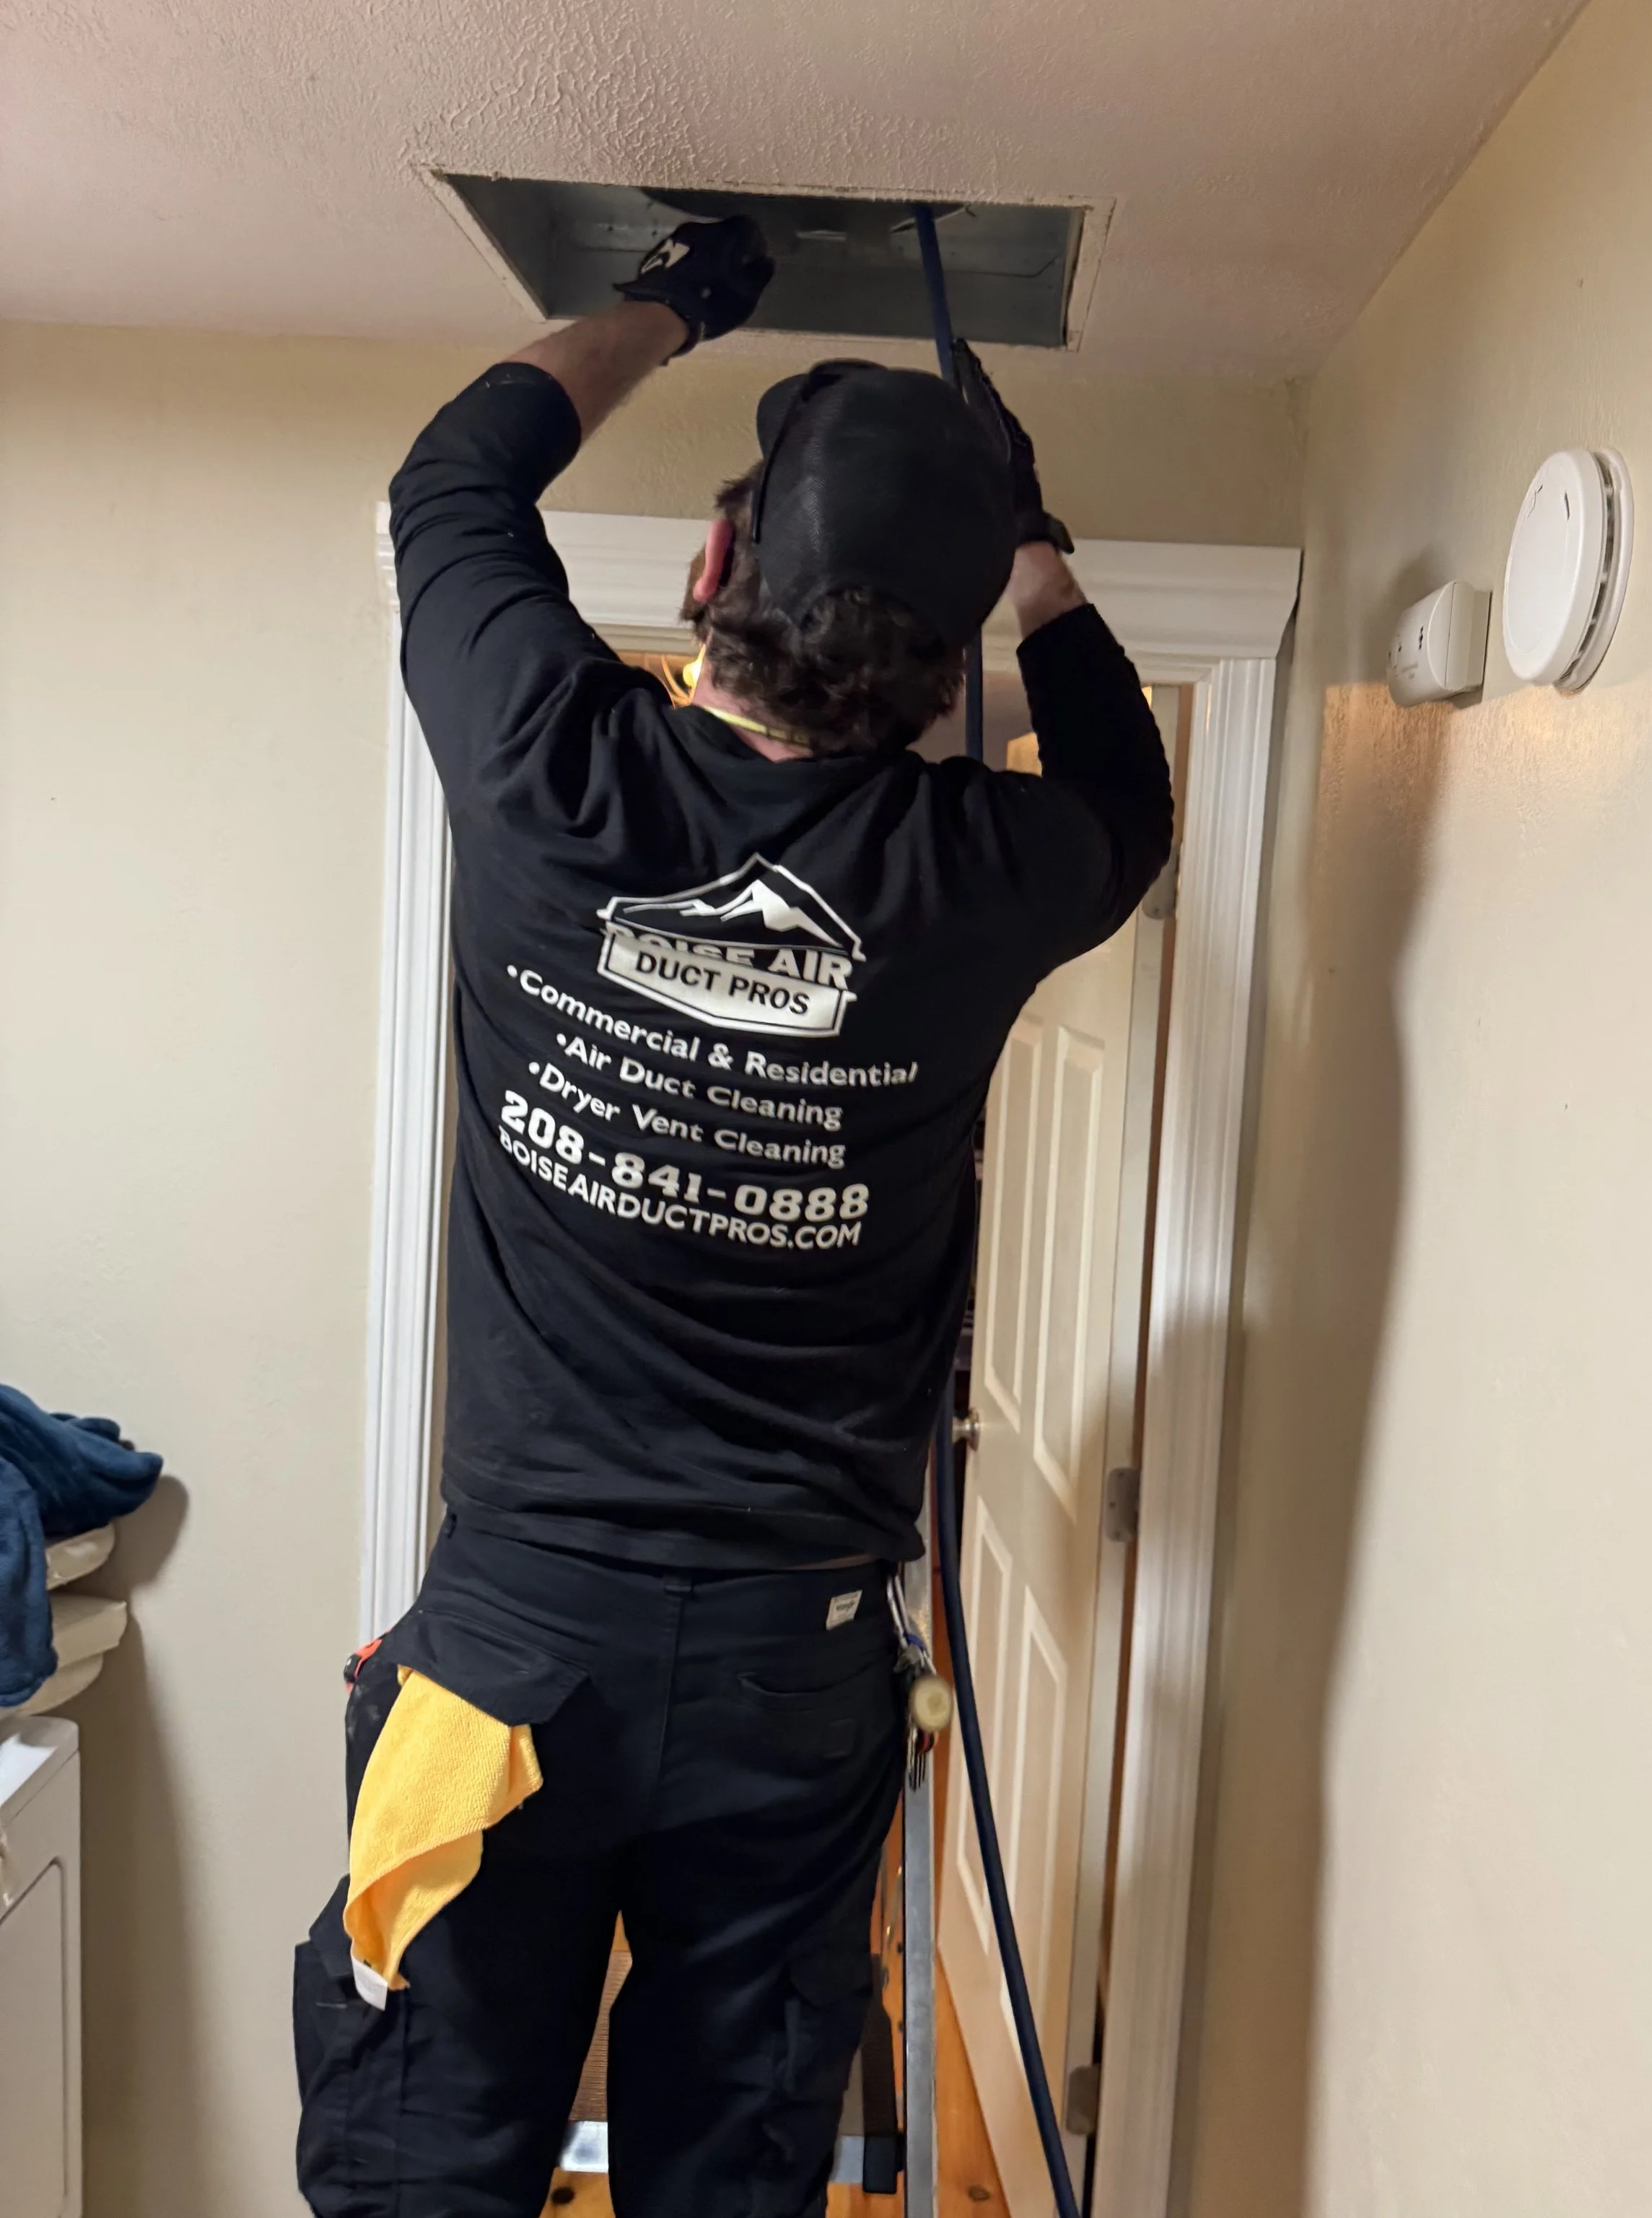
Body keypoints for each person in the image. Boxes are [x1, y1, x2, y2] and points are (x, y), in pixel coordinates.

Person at [294, 215, 1171, 2218]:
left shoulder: (548, 761)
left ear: (707, 578)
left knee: (421, 2158)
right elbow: (1128, 791)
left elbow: (454, 475)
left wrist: (683, 295)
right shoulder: (986, 872)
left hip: (511, 1651)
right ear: (946, 678)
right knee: (735, 2169)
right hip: (796, 1665)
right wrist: (1036, 554)